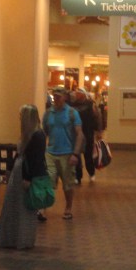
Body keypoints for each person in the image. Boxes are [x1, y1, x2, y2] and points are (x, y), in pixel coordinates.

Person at [0, 104, 47, 249]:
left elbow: (36, 159)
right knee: (13, 205)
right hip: (18, 172)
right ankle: (10, 238)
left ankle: (22, 239)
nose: (19, 118)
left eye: (21, 115)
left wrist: (29, 178)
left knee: (24, 208)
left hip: (25, 174)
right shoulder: (27, 134)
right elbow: (18, 154)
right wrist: (9, 170)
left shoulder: (38, 135)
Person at [42, 87, 84, 220]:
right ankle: (43, 209)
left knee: (68, 184)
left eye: (59, 97)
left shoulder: (72, 113)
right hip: (51, 153)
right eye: (55, 96)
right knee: (48, 181)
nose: (56, 99)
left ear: (65, 97)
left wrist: (75, 154)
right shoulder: (48, 113)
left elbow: (79, 134)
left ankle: (68, 207)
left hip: (67, 153)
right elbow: (44, 132)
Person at [71, 88, 102, 184]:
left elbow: (97, 117)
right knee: (76, 154)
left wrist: (99, 131)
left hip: (88, 133)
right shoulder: (73, 104)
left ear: (83, 94)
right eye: (76, 93)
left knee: (88, 155)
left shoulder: (90, 104)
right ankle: (78, 176)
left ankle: (91, 173)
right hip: (76, 133)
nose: (76, 95)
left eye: (78, 93)